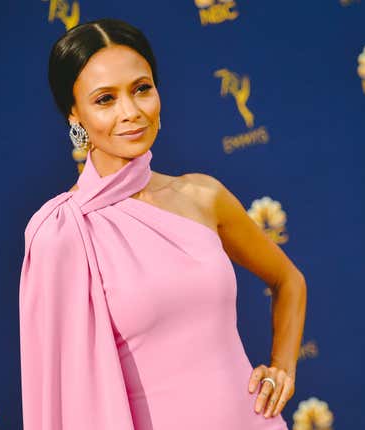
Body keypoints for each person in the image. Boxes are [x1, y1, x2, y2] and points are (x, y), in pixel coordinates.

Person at [19, 17, 307, 430]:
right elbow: (61, 399)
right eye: (105, 99)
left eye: (141, 89)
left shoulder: (203, 196)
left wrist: (282, 368)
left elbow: (288, 280)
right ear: (74, 115)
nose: (131, 112)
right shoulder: (62, 233)